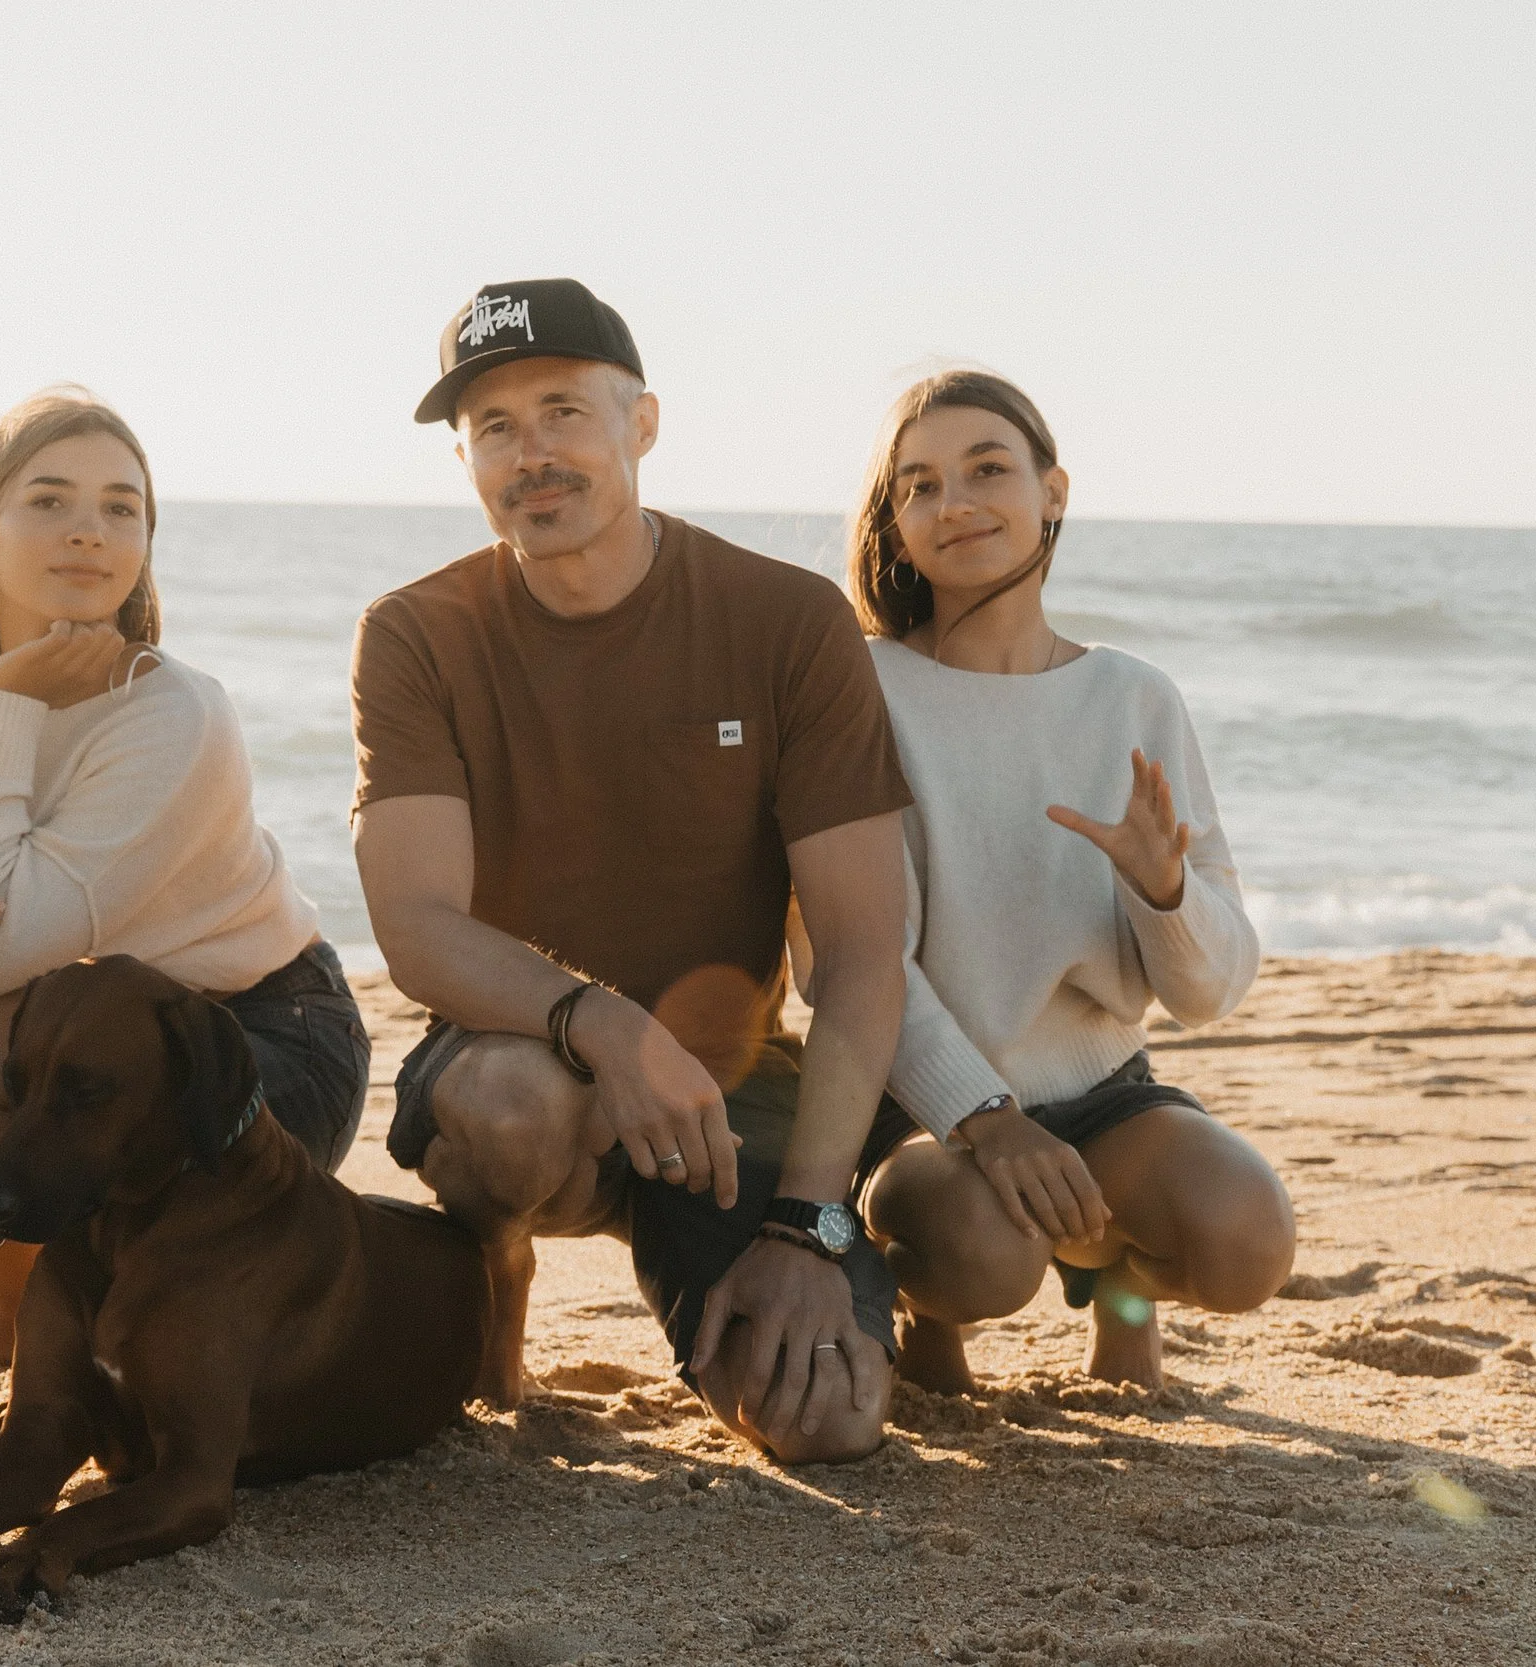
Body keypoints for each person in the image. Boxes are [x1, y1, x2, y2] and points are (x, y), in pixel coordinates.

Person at [353, 280, 911, 1464]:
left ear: (642, 424)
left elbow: (862, 951)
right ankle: (496, 1267)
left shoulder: (788, 620)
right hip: (522, 1055)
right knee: (510, 1109)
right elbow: (413, 923)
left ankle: (760, 1259)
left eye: (562, 411)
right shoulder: (415, 631)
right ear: (464, 456)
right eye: (494, 428)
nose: (531, 454)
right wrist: (600, 1024)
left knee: (828, 1420)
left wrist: (810, 1222)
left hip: (725, 1083)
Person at [0, 389, 365, 1367]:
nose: (89, 532)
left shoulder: (173, 714)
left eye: (120, 507)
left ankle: (23, 1315)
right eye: (50, 501)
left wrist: (1, 703)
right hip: (83, 1029)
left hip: (252, 1038)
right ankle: (19, 1303)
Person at [845, 370, 1293, 1392]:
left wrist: (1163, 894)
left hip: (1101, 1093)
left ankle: (1120, 1294)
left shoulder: (1132, 696)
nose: (954, 502)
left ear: (1053, 490)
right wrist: (986, 1120)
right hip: (919, 1109)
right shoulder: (866, 690)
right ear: (897, 526)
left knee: (1245, 1237)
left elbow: (1208, 992)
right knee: (982, 1253)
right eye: (918, 485)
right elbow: (855, 956)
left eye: (987, 468)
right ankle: (928, 1316)